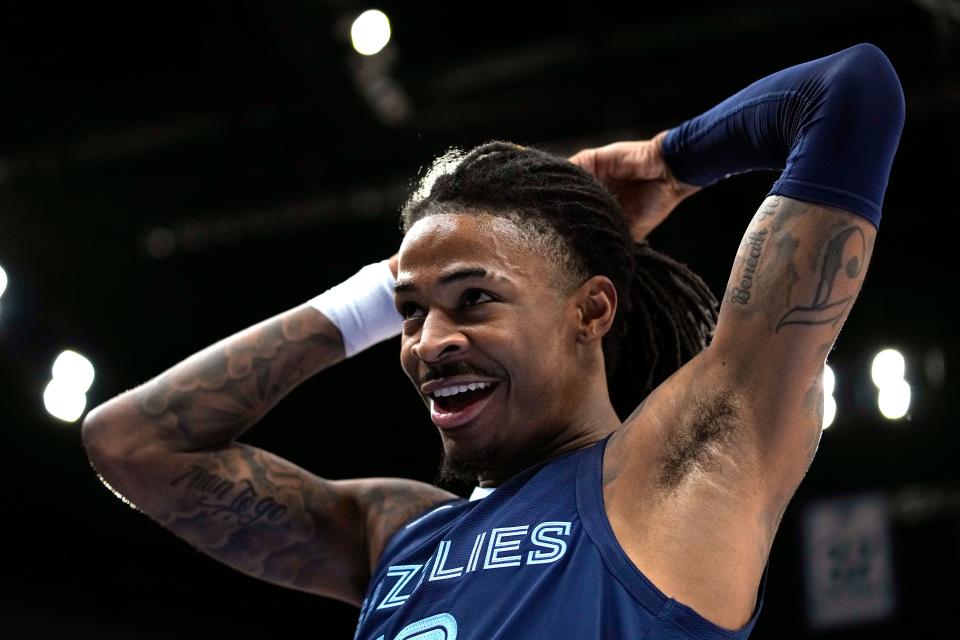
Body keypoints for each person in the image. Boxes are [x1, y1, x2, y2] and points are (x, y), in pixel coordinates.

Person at [82, 42, 904, 639]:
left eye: (474, 299)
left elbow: (851, 91)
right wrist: (389, 282)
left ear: (591, 312)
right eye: (411, 313)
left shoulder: (692, 463)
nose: (428, 342)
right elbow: (132, 444)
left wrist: (666, 161)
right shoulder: (399, 535)